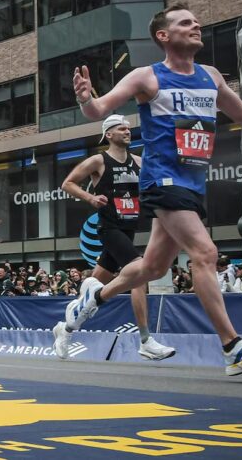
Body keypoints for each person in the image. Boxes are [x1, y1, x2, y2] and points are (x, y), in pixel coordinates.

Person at [55, 4, 242, 376]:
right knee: (205, 252)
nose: (196, 25)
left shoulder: (211, 76)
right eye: (185, 22)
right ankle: (233, 348)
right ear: (163, 36)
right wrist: (85, 98)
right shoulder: (147, 77)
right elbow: (99, 109)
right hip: (161, 181)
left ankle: (91, 300)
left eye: (196, 21)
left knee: (153, 268)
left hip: (192, 184)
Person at [56, 114, 176, 361]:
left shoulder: (139, 162)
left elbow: (157, 186)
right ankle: (145, 341)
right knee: (138, 274)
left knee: (91, 298)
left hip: (129, 228)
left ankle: (65, 330)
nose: (127, 131)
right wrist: (90, 198)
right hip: (109, 229)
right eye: (121, 128)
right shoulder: (99, 161)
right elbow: (67, 184)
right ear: (108, 134)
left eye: (129, 128)